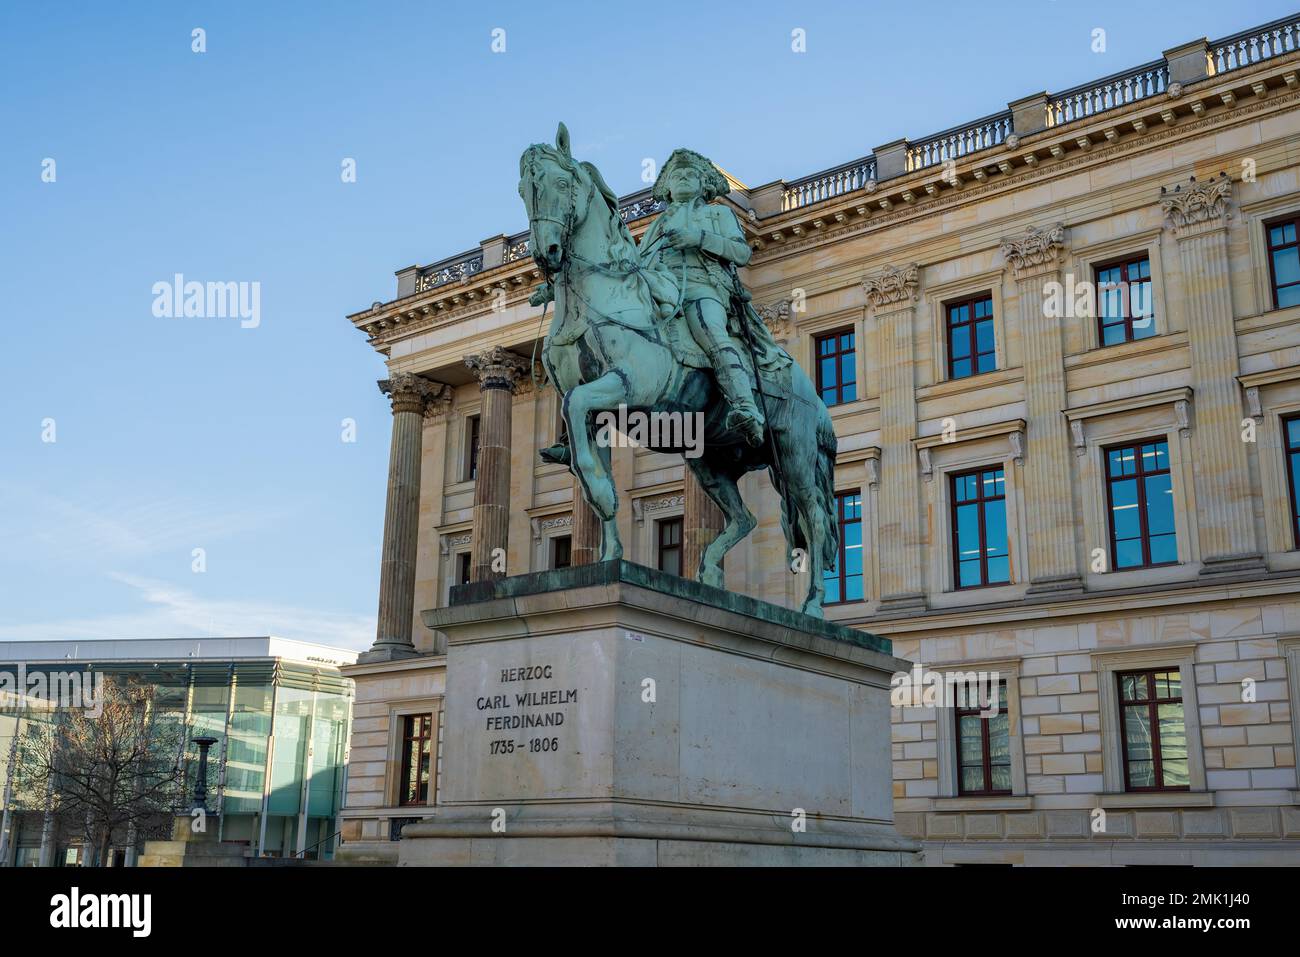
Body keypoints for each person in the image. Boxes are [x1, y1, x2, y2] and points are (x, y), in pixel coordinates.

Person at [639, 149, 785, 447]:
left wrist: (698, 238)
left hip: (701, 287)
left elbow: (741, 253)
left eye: (689, 174)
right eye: (675, 176)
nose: (681, 179)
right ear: (667, 187)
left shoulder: (718, 214)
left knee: (712, 334)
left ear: (703, 184)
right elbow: (638, 263)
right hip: (658, 289)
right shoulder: (658, 224)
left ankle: (745, 406)